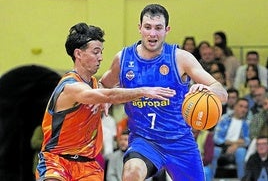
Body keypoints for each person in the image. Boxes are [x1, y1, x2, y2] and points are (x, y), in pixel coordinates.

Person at [99, 4, 228, 181]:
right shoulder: (123, 59)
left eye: (158, 28)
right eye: (148, 27)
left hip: (180, 142)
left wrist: (209, 90)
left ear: (167, 29)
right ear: (140, 28)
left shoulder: (180, 58)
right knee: (131, 173)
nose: (153, 34)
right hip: (144, 141)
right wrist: (103, 97)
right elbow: (103, 84)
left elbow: (222, 92)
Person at [35, 22, 176, 181]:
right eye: (95, 52)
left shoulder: (96, 85)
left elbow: (111, 87)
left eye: (101, 52)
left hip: (88, 166)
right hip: (57, 161)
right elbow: (108, 95)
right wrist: (145, 91)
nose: (101, 57)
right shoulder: (70, 87)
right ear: (78, 54)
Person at [212, 98, 250, 179]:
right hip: (222, 146)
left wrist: (236, 146)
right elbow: (216, 138)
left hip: (238, 148)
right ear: (235, 107)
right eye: (241, 106)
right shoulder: (224, 119)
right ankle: (211, 178)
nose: (243, 109)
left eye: (246, 107)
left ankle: (241, 179)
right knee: (214, 151)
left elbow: (247, 140)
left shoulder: (247, 123)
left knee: (242, 152)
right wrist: (234, 143)